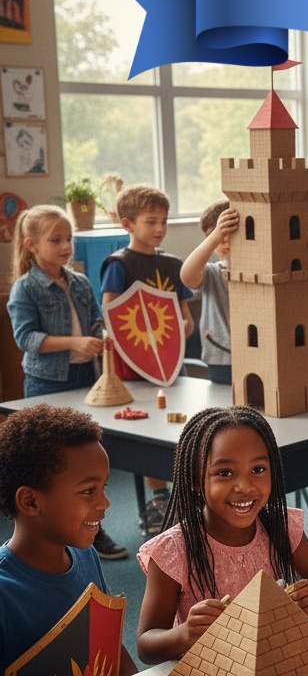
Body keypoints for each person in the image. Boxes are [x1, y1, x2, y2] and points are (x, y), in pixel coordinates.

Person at [135, 406, 308, 664]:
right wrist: (185, 633)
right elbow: (145, 645)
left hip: (276, 666)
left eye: (258, 469)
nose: (245, 487)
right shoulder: (175, 550)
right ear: (195, 479)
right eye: (225, 473)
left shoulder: (280, 527)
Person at [0, 405, 137, 676]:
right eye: (89, 491)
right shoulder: (4, 593)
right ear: (30, 501)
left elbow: (107, 642)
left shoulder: (85, 553)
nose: (106, 502)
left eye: (105, 487)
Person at [6, 205, 126, 561]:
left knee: (84, 465)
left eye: (68, 238)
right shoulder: (25, 289)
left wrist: (100, 337)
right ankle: (45, 536)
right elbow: (26, 338)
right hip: (46, 383)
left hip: (84, 379)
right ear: (31, 245)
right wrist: (75, 343)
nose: (66, 246)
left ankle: (92, 528)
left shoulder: (81, 281)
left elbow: (93, 322)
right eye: (56, 240)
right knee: (54, 468)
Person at [100, 184, 193, 535]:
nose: (159, 228)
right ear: (128, 223)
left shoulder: (172, 264)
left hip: (170, 361)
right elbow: (111, 313)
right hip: (135, 365)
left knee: (176, 425)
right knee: (148, 432)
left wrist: (184, 326)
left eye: (164, 221)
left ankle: (183, 497)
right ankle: (158, 499)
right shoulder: (119, 264)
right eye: (151, 221)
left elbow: (184, 315)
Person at [180, 200, 239, 385]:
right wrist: (215, 236)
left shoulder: (262, 271)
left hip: (260, 354)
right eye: (216, 238)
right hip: (222, 359)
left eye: (229, 235)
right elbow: (187, 276)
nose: (223, 242)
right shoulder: (213, 272)